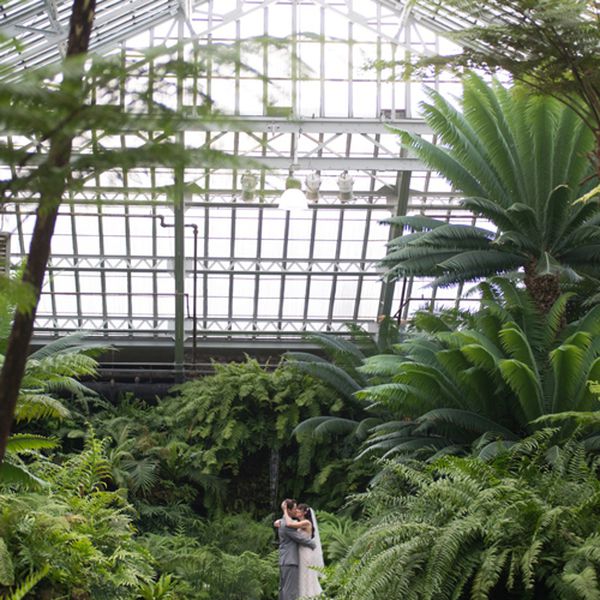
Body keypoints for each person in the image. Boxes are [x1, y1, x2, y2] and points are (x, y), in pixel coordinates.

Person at [281, 502, 324, 598]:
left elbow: (288, 523)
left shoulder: (306, 523)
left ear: (304, 512)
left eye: (299, 510)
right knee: (301, 576)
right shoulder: (299, 523)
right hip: (300, 553)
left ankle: (309, 596)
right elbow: (285, 522)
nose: (296, 511)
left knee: (307, 575)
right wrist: (280, 521)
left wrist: (284, 510)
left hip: (306, 553)